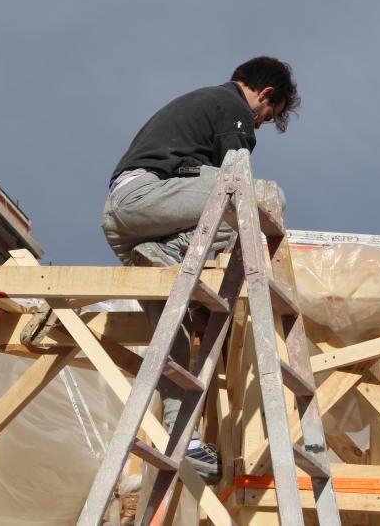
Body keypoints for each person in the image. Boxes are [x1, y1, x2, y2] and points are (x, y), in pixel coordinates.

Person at [100, 56, 299, 481]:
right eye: (268, 115)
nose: (260, 123)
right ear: (265, 95)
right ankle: (172, 249)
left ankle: (180, 437)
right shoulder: (231, 108)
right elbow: (237, 185)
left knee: (171, 333)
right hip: (147, 203)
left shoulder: (201, 106)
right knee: (260, 197)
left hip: (132, 222)